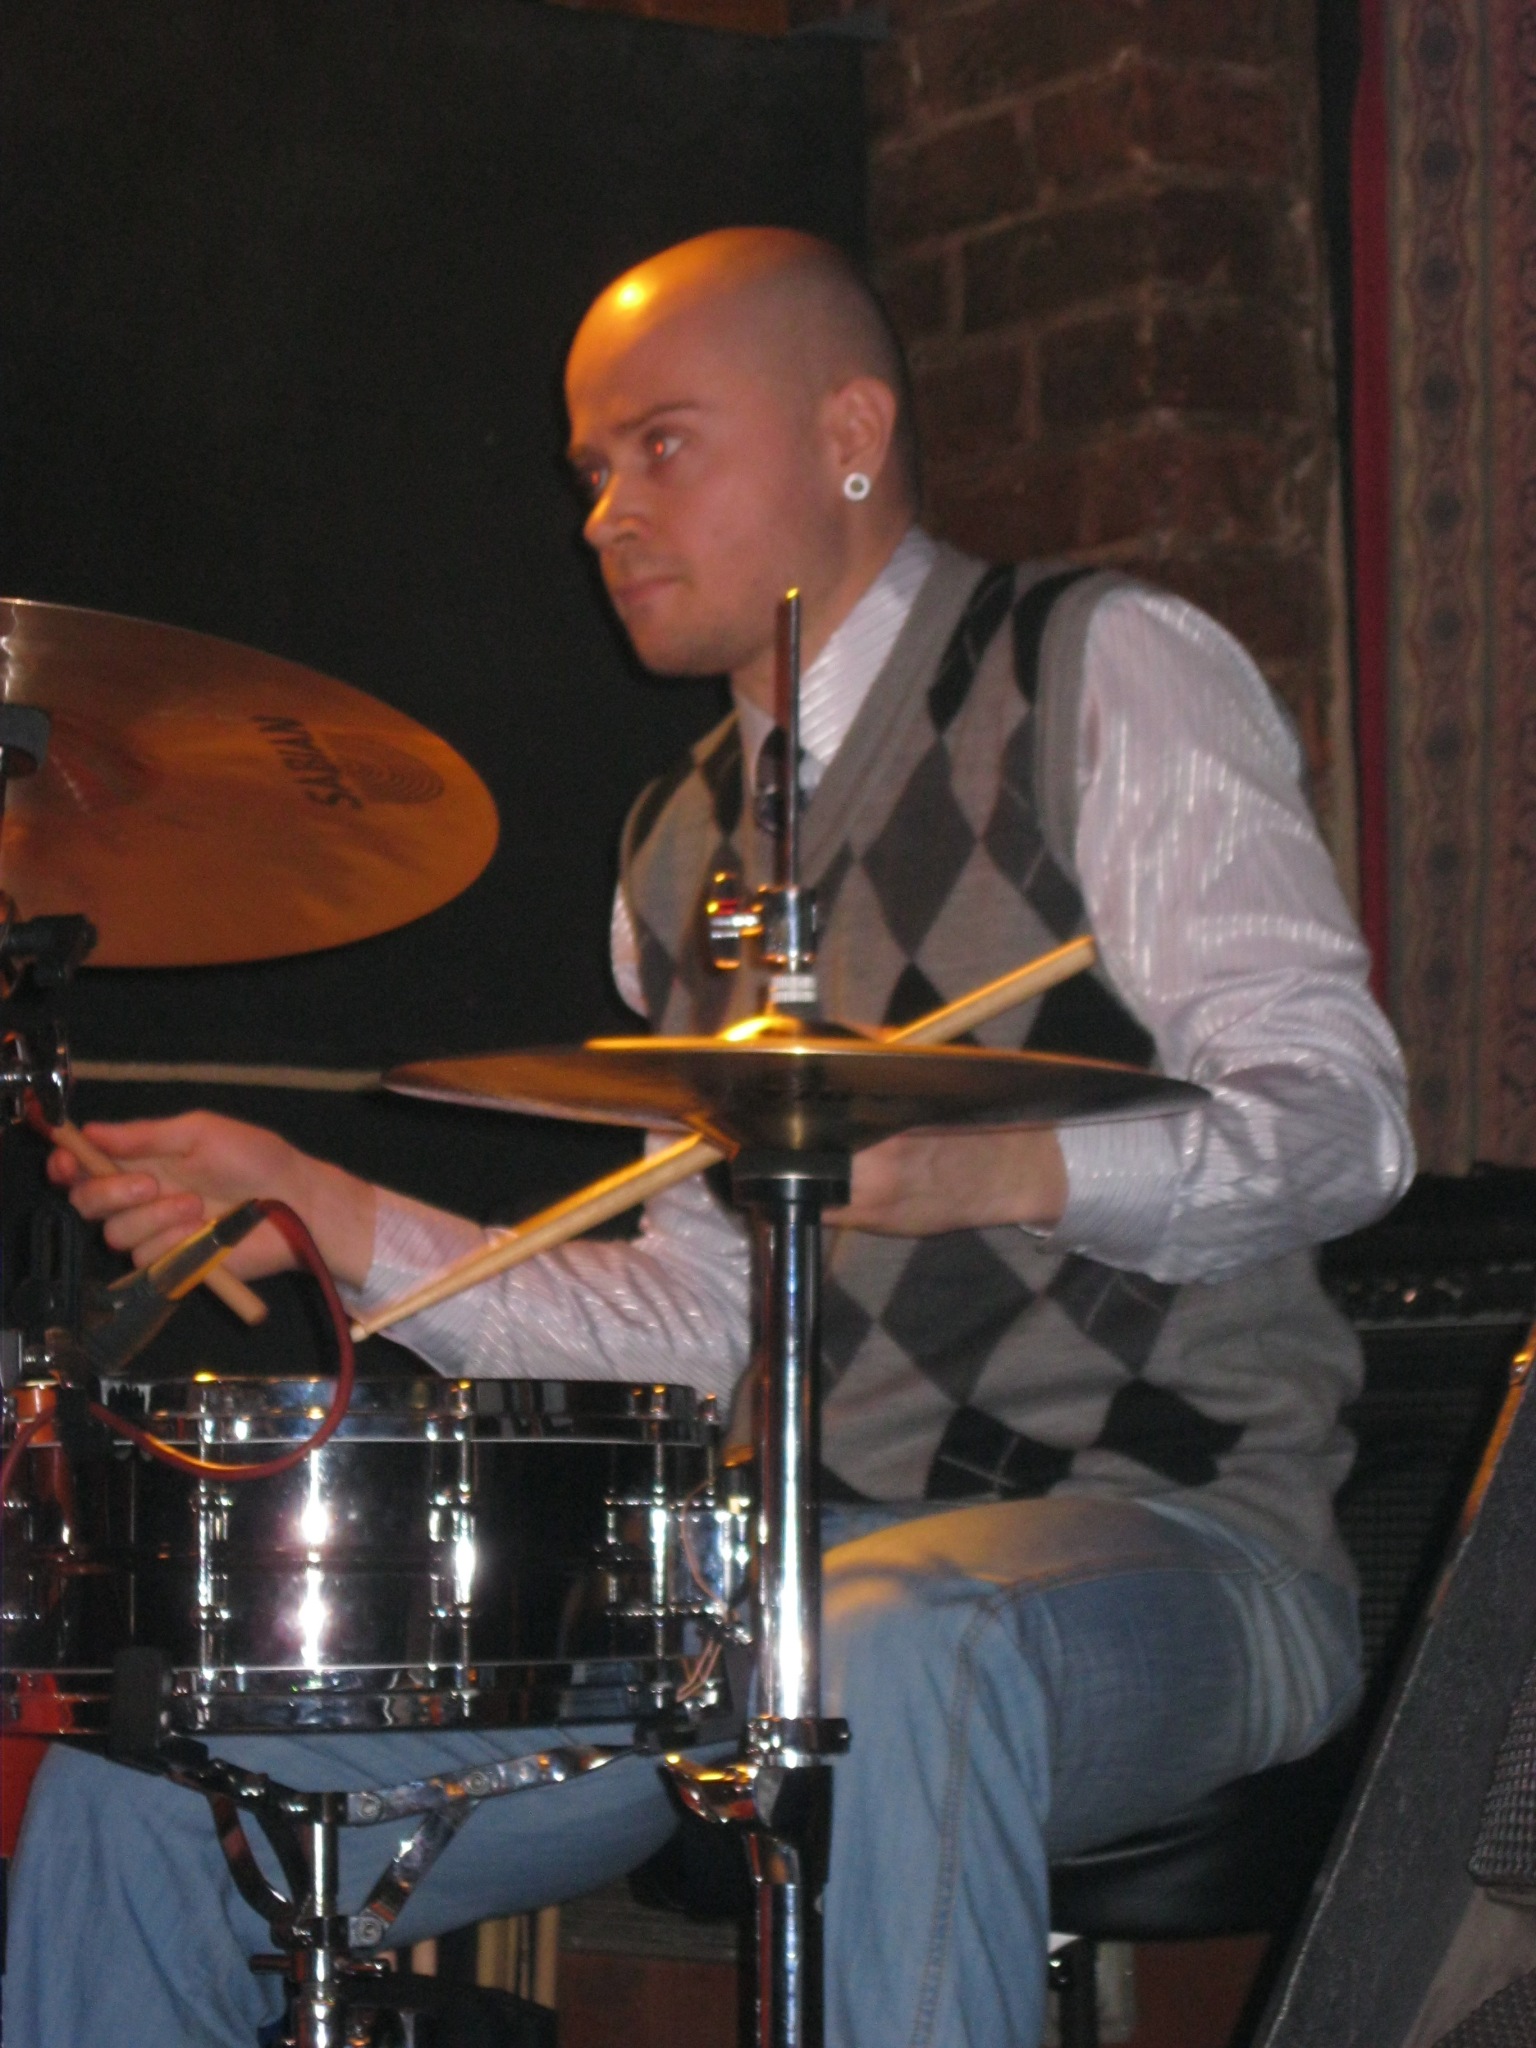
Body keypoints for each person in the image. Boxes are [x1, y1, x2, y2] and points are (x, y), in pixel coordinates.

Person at [9, 227, 1414, 2048]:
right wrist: (321, 1208)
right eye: (593, 468)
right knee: (157, 1790)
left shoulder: (1099, 671)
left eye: (661, 445)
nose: (606, 514)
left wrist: (998, 1171)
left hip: (1184, 1545)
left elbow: (1342, 1124)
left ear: (851, 432)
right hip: (767, 1600)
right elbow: (695, 1330)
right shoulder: (679, 849)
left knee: (891, 1643)